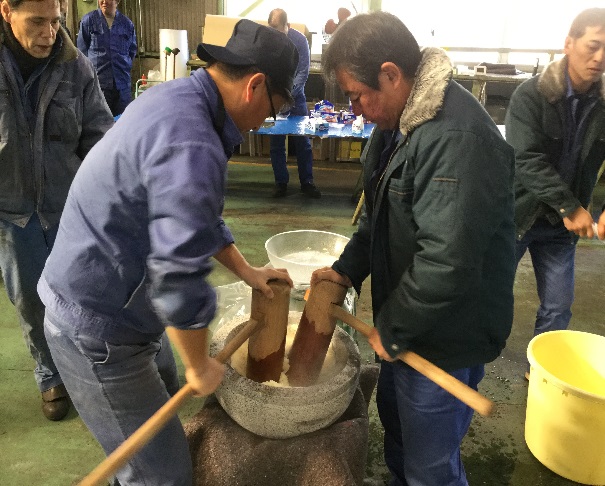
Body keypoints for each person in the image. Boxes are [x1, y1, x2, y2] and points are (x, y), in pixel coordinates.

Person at [38, 19, 297, 484]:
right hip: (96, 325)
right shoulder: (193, 140)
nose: (266, 121)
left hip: (122, 301)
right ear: (255, 85)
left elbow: (194, 218)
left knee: (165, 390)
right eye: (274, 109)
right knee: (164, 475)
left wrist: (246, 271)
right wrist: (199, 364)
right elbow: (178, 276)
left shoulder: (178, 99)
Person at [315, 11, 516, 485]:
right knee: (401, 435)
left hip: (445, 338)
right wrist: (345, 270)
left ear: (391, 74)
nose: (356, 109)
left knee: (431, 466)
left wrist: (396, 326)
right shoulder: (397, 124)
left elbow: (447, 261)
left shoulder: (455, 138)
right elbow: (376, 219)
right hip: (408, 330)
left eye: (357, 95)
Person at [0, 0, 113, 421]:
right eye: (37, 22)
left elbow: (100, 139)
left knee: (78, 298)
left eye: (56, 21)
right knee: (31, 302)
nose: (50, 32)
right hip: (12, 215)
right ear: (6, 10)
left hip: (67, 212)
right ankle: (51, 376)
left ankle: (82, 372)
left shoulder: (75, 67)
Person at [505, 7, 605, 377]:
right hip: (518, 214)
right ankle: (473, 360)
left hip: (561, 229)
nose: (600, 58)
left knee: (558, 306)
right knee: (492, 295)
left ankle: (542, 374)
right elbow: (525, 159)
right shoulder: (530, 96)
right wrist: (570, 206)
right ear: (569, 43)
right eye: (593, 46)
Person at [267, 8, 321, 198]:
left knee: (303, 141)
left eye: (279, 31)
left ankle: (307, 182)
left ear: (287, 26)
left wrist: (288, 95)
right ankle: (281, 183)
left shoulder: (300, 41)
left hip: (296, 98)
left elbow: (303, 72)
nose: (276, 36)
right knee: (276, 142)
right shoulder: (268, 40)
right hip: (275, 97)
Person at [77, 0, 137, 116]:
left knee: (123, 121)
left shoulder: (127, 24)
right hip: (98, 84)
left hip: (122, 85)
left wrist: (124, 66)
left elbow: (132, 50)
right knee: (99, 123)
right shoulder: (89, 21)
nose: (103, 2)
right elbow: (81, 51)